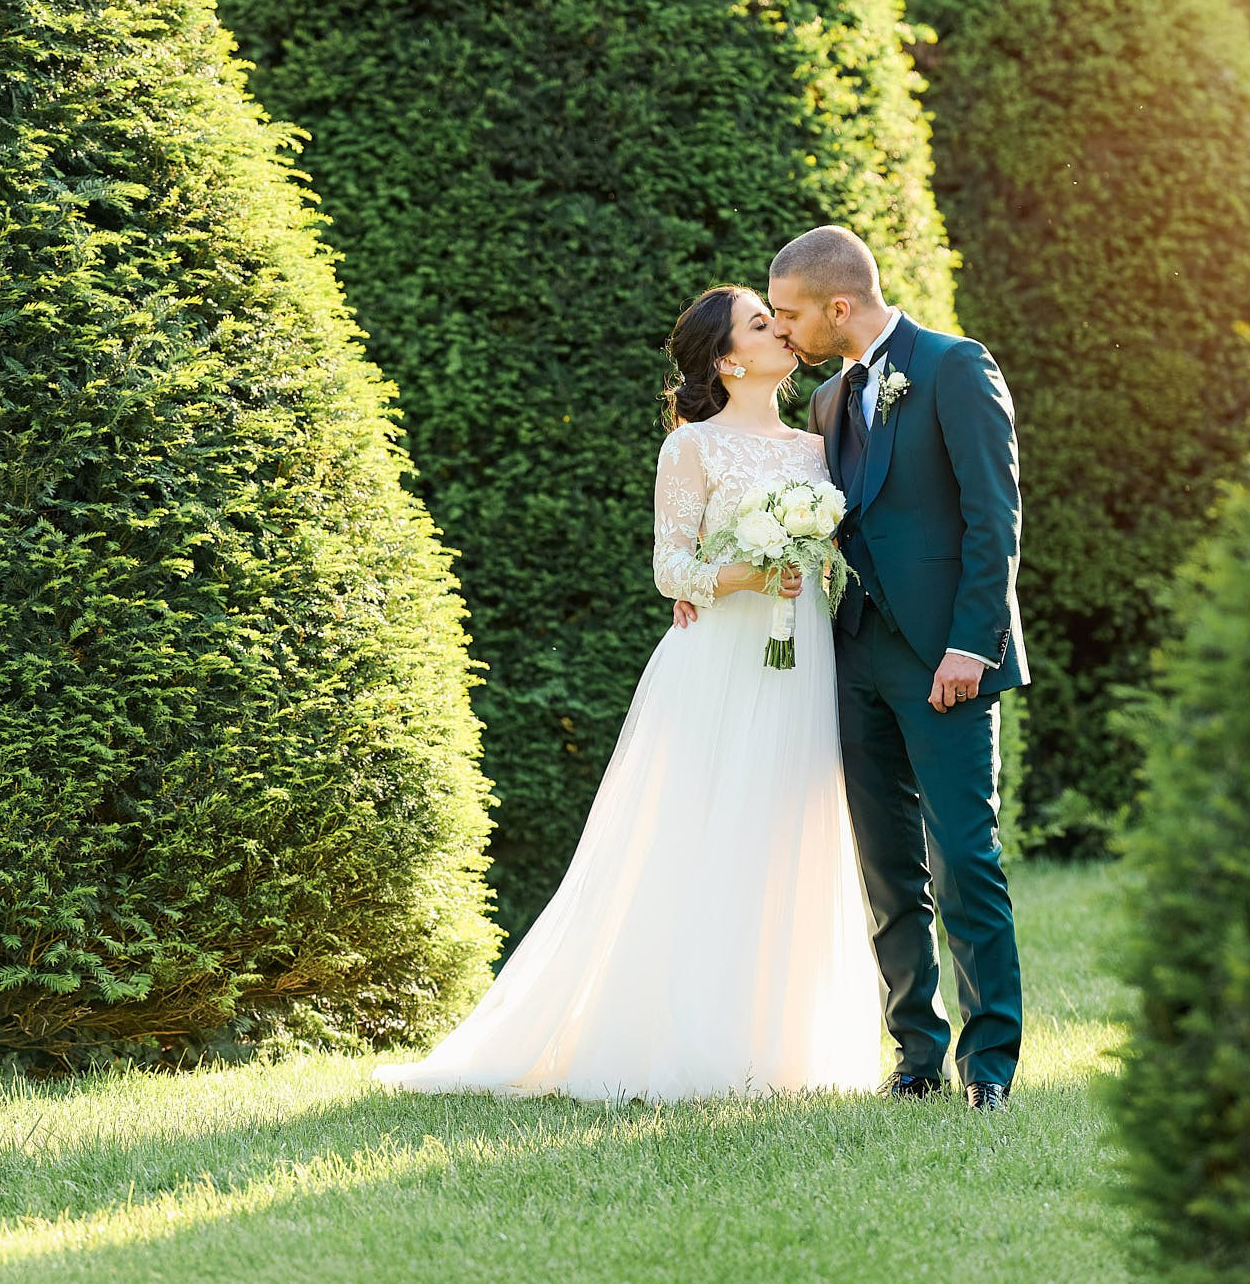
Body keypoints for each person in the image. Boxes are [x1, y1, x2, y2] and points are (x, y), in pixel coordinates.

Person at [372, 285, 882, 1102]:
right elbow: (669, 568)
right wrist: (747, 575)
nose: (782, 331)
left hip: (801, 658)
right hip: (717, 662)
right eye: (761, 324)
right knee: (700, 834)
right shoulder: (692, 449)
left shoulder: (817, 448)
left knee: (788, 827)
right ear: (728, 361)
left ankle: (783, 1047)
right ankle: (684, 1041)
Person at [685, 225, 1028, 1111]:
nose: (782, 330)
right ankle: (917, 1054)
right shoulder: (828, 402)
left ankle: (989, 1067)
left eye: (789, 314)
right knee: (887, 869)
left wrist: (971, 644)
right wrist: (716, 579)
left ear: (839, 307)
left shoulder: (955, 366)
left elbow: (995, 517)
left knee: (966, 858)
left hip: (947, 658)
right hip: (852, 652)